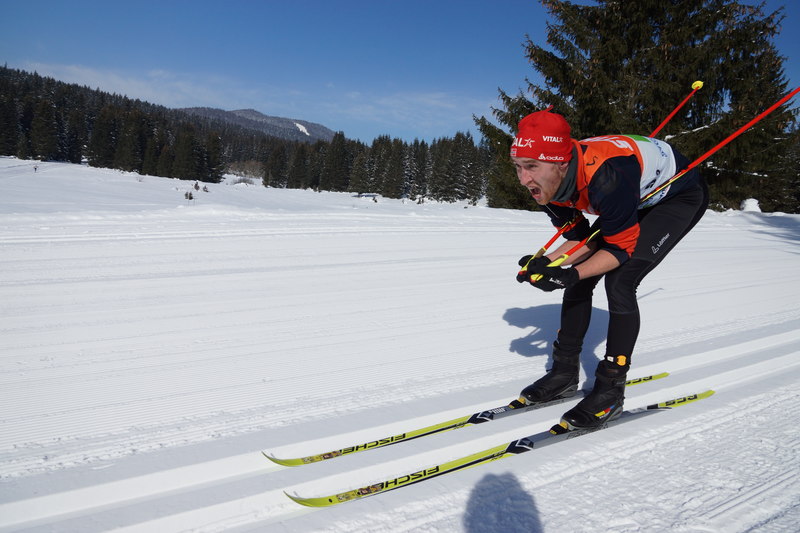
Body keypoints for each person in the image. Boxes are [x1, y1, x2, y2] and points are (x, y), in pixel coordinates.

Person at [510, 108, 708, 431]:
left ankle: (611, 389)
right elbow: (579, 237)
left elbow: (619, 249)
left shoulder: (606, 178)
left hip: (677, 197)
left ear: (561, 164)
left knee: (620, 281)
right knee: (580, 277)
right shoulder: (547, 184)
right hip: (633, 196)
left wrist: (570, 273)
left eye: (531, 166)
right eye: (518, 166)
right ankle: (564, 372)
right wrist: (547, 263)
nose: (523, 178)